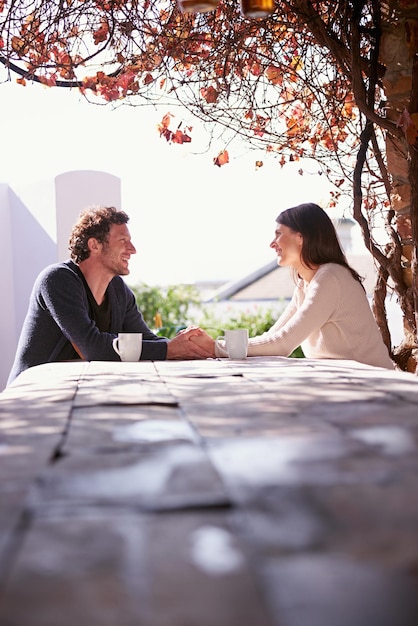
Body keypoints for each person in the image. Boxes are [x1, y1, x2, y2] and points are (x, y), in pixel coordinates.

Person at [7, 205, 208, 385]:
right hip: (34, 396)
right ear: (94, 245)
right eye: (123, 241)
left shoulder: (118, 290)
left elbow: (144, 339)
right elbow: (92, 347)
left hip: (77, 394)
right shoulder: (58, 280)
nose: (133, 250)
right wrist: (170, 349)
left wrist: (190, 345)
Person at [191, 202, 394, 369]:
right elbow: (272, 337)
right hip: (348, 383)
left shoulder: (331, 277)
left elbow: (282, 344)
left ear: (300, 238)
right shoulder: (306, 285)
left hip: (377, 388)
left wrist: (215, 347)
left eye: (278, 234)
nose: (272, 243)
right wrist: (218, 346)